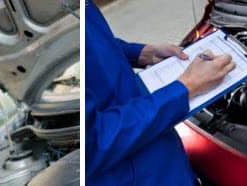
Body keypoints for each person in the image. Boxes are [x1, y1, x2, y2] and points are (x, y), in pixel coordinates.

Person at [84, 0, 236, 185]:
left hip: (159, 146)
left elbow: (88, 41)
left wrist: (138, 53)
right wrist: (186, 88)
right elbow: (92, 143)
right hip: (133, 174)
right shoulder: (44, 19)